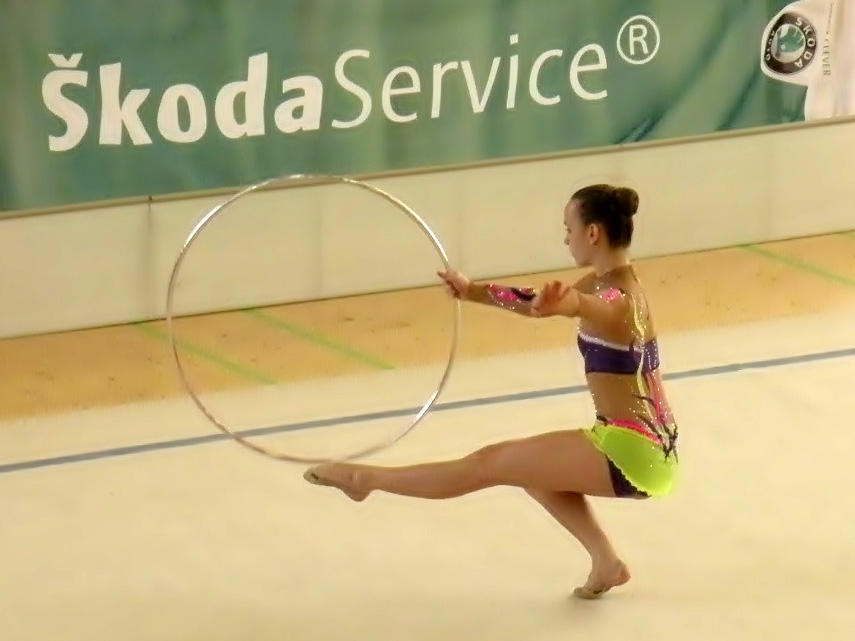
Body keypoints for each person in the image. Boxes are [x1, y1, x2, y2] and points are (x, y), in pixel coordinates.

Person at [304, 183, 680, 600]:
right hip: (639, 443)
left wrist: (569, 303)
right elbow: (537, 301)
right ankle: (606, 562)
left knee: (486, 464)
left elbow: (590, 305)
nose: (565, 239)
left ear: (592, 233)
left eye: (568, 228)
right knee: (530, 469)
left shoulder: (616, 298)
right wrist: (473, 291)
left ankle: (364, 479)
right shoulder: (609, 282)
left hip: (634, 451)